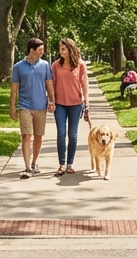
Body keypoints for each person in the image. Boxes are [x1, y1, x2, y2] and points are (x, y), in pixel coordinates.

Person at [10, 37, 54, 179]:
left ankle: (34, 163)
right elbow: (14, 89)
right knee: (26, 135)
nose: (42, 52)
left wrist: (53, 101)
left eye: (43, 49)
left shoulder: (45, 65)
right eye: (40, 50)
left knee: (38, 136)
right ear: (31, 50)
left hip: (41, 106)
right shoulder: (18, 67)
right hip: (25, 106)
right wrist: (12, 107)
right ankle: (27, 166)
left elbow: (49, 84)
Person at [51, 38, 89, 176]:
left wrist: (86, 103)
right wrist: (51, 100)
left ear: (70, 49)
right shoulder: (56, 65)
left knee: (72, 135)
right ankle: (61, 164)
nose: (61, 51)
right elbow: (51, 84)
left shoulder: (80, 65)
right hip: (60, 104)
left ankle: (69, 164)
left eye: (63, 49)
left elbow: (84, 84)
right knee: (61, 133)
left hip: (76, 104)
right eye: (60, 48)